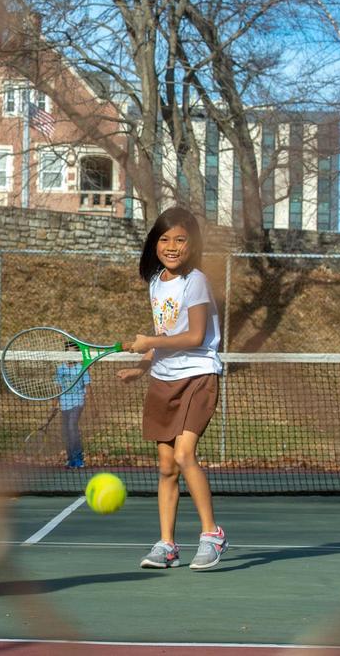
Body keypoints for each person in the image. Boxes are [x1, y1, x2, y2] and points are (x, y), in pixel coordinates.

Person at [118, 206, 227, 571]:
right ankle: (167, 545)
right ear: (154, 244)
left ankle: (212, 535)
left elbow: (195, 336)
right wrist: (144, 363)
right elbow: (167, 335)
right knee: (166, 467)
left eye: (181, 239)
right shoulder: (156, 282)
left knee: (183, 456)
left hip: (198, 376)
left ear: (192, 244)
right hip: (164, 377)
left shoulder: (195, 280)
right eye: (164, 239)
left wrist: (149, 340)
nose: (172, 246)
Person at [56, 341, 90, 468]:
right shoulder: (60, 369)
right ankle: (70, 459)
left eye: (74, 353)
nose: (71, 355)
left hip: (77, 402)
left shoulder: (82, 368)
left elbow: (88, 388)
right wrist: (55, 404)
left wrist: (93, 407)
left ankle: (78, 459)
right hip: (64, 404)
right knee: (66, 432)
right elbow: (59, 389)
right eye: (69, 352)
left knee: (72, 427)